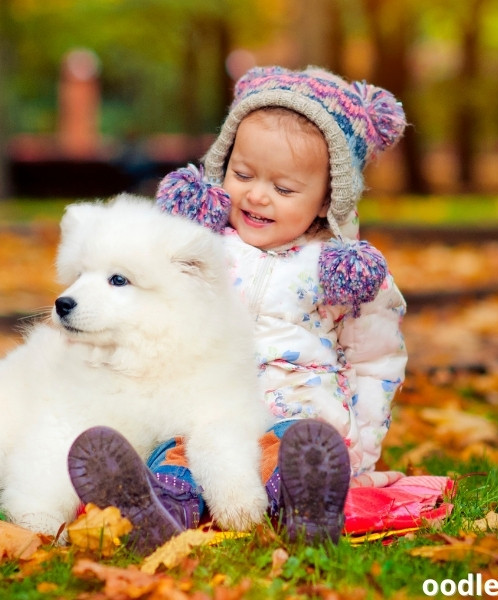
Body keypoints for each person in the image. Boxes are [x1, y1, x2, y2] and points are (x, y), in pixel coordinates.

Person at [67, 65, 408, 552]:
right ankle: (156, 511)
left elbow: (376, 362)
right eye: (242, 174)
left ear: (328, 199)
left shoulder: (342, 272)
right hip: (202, 411)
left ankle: (306, 506)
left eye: (284, 188)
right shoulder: (196, 251)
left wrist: (364, 450)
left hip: (295, 418)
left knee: (295, 454)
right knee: (178, 455)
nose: (256, 194)